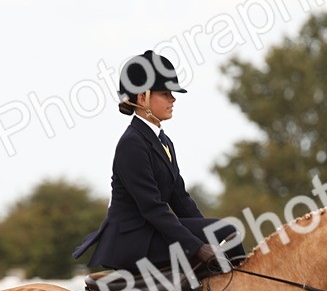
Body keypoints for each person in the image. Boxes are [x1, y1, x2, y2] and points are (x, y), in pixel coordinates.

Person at [73, 50, 246, 275]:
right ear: (141, 97)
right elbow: (152, 208)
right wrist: (196, 247)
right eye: (165, 93)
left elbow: (180, 198)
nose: (173, 99)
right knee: (227, 229)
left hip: (153, 232)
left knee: (225, 231)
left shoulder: (164, 141)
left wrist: (207, 234)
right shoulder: (131, 144)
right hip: (134, 240)